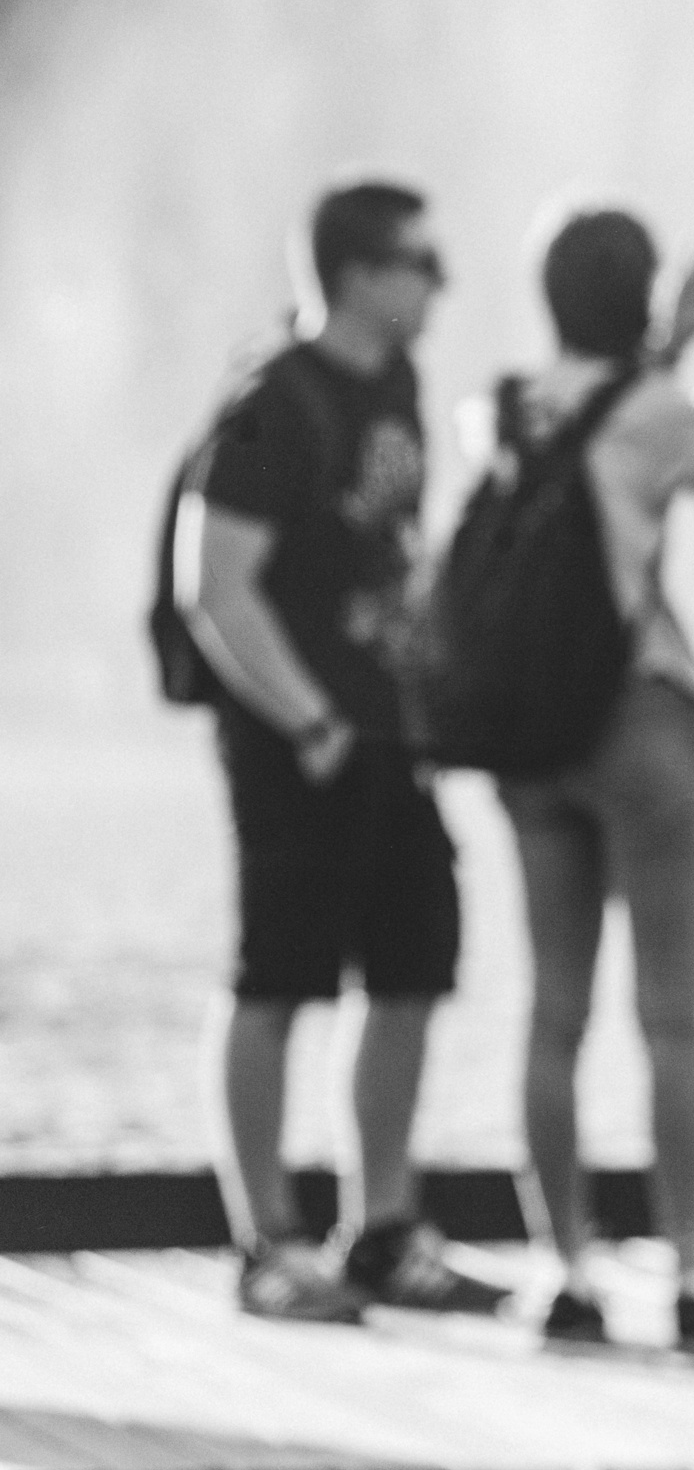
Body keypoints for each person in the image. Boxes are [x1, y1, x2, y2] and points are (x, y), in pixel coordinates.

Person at [467, 208, 694, 1353]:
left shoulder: (500, 408)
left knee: (552, 1011)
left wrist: (671, 348)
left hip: (528, 738)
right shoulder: (665, 410)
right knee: (670, 1015)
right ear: (645, 297)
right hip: (641, 722)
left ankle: (564, 1269)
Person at [176, 180, 504, 1320]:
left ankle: (382, 1228)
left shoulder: (399, 383)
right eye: (422, 260)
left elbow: (388, 550)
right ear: (361, 273)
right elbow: (211, 584)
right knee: (277, 976)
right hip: (294, 741)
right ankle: (266, 1242)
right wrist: (308, 716)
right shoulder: (273, 401)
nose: (440, 282)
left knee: (411, 969)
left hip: (389, 734)